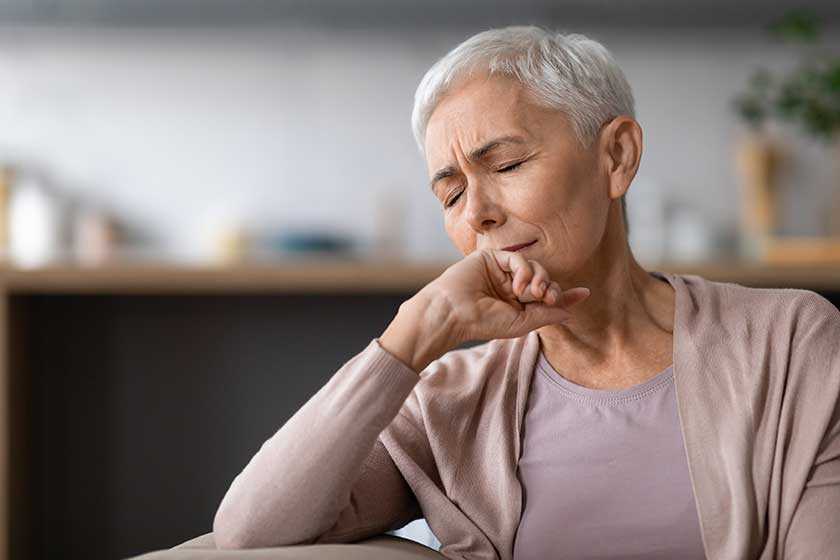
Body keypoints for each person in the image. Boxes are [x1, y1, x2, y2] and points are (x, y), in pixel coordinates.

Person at [212, 26, 840, 559]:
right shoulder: (451, 402)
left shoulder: (792, 344)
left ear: (616, 157)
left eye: (507, 166)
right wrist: (413, 330)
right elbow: (251, 529)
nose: (478, 212)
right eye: (451, 193)